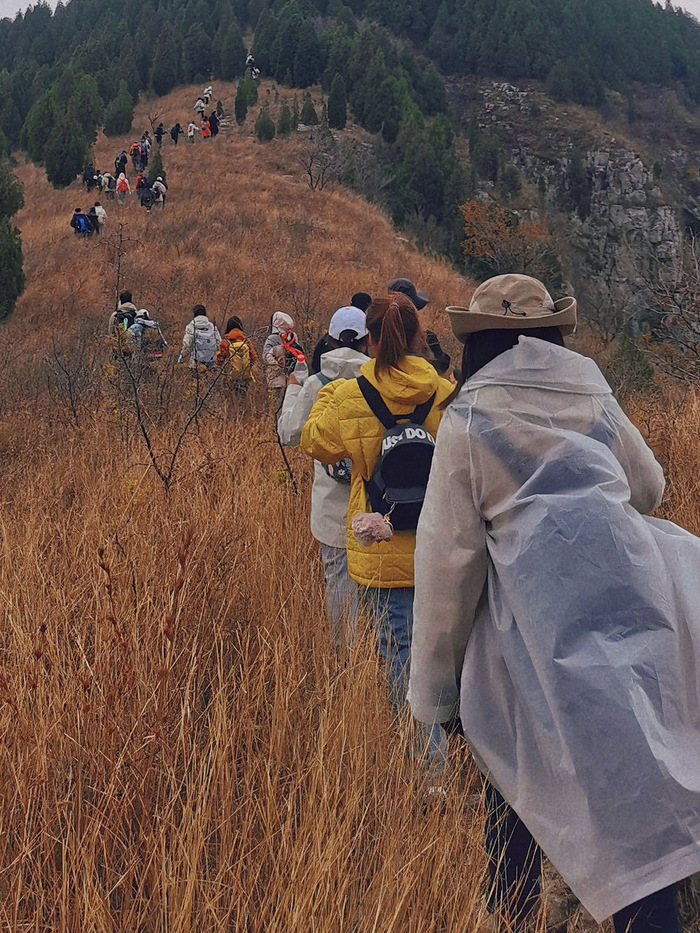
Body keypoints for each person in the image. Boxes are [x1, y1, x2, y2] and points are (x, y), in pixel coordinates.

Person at [408, 273, 700, 932]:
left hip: (531, 644)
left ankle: (511, 914)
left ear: (478, 342)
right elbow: (649, 487)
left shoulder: (470, 416)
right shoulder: (591, 388)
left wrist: (436, 697)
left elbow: (449, 562)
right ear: (551, 331)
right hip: (633, 612)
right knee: (633, 801)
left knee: (519, 789)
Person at [301, 293, 453, 767]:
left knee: (398, 654)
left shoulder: (351, 396)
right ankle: (460, 752)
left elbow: (314, 442)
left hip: (380, 551)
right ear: (418, 339)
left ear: (370, 339)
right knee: (449, 653)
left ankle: (429, 765)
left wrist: (330, 390)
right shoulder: (445, 395)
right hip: (441, 548)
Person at [279, 306, 370, 655]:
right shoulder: (376, 380)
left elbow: (289, 433)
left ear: (330, 339)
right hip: (373, 504)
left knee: (338, 582)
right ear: (366, 341)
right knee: (374, 583)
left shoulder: (317, 384)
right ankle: (375, 655)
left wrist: (292, 389)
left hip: (331, 508)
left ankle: (345, 657)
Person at [215, 315, 258, 394]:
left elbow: (219, 361)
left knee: (231, 398)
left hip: (231, 376)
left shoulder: (225, 342)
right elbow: (254, 358)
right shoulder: (246, 341)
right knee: (243, 396)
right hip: (245, 376)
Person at [263, 311, 300, 401]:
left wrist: (276, 366)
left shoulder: (272, 338)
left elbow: (265, 356)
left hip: (275, 377)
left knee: (276, 401)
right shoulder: (293, 336)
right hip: (292, 377)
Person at [177, 305, 221, 369]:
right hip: (211, 363)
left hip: (196, 364)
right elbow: (219, 343)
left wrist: (180, 359)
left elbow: (187, 345)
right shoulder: (212, 326)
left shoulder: (191, 326)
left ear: (195, 314)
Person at [107, 291, 139, 355]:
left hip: (118, 347)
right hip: (132, 349)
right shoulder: (137, 314)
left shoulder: (115, 315)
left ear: (121, 301)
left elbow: (111, 332)